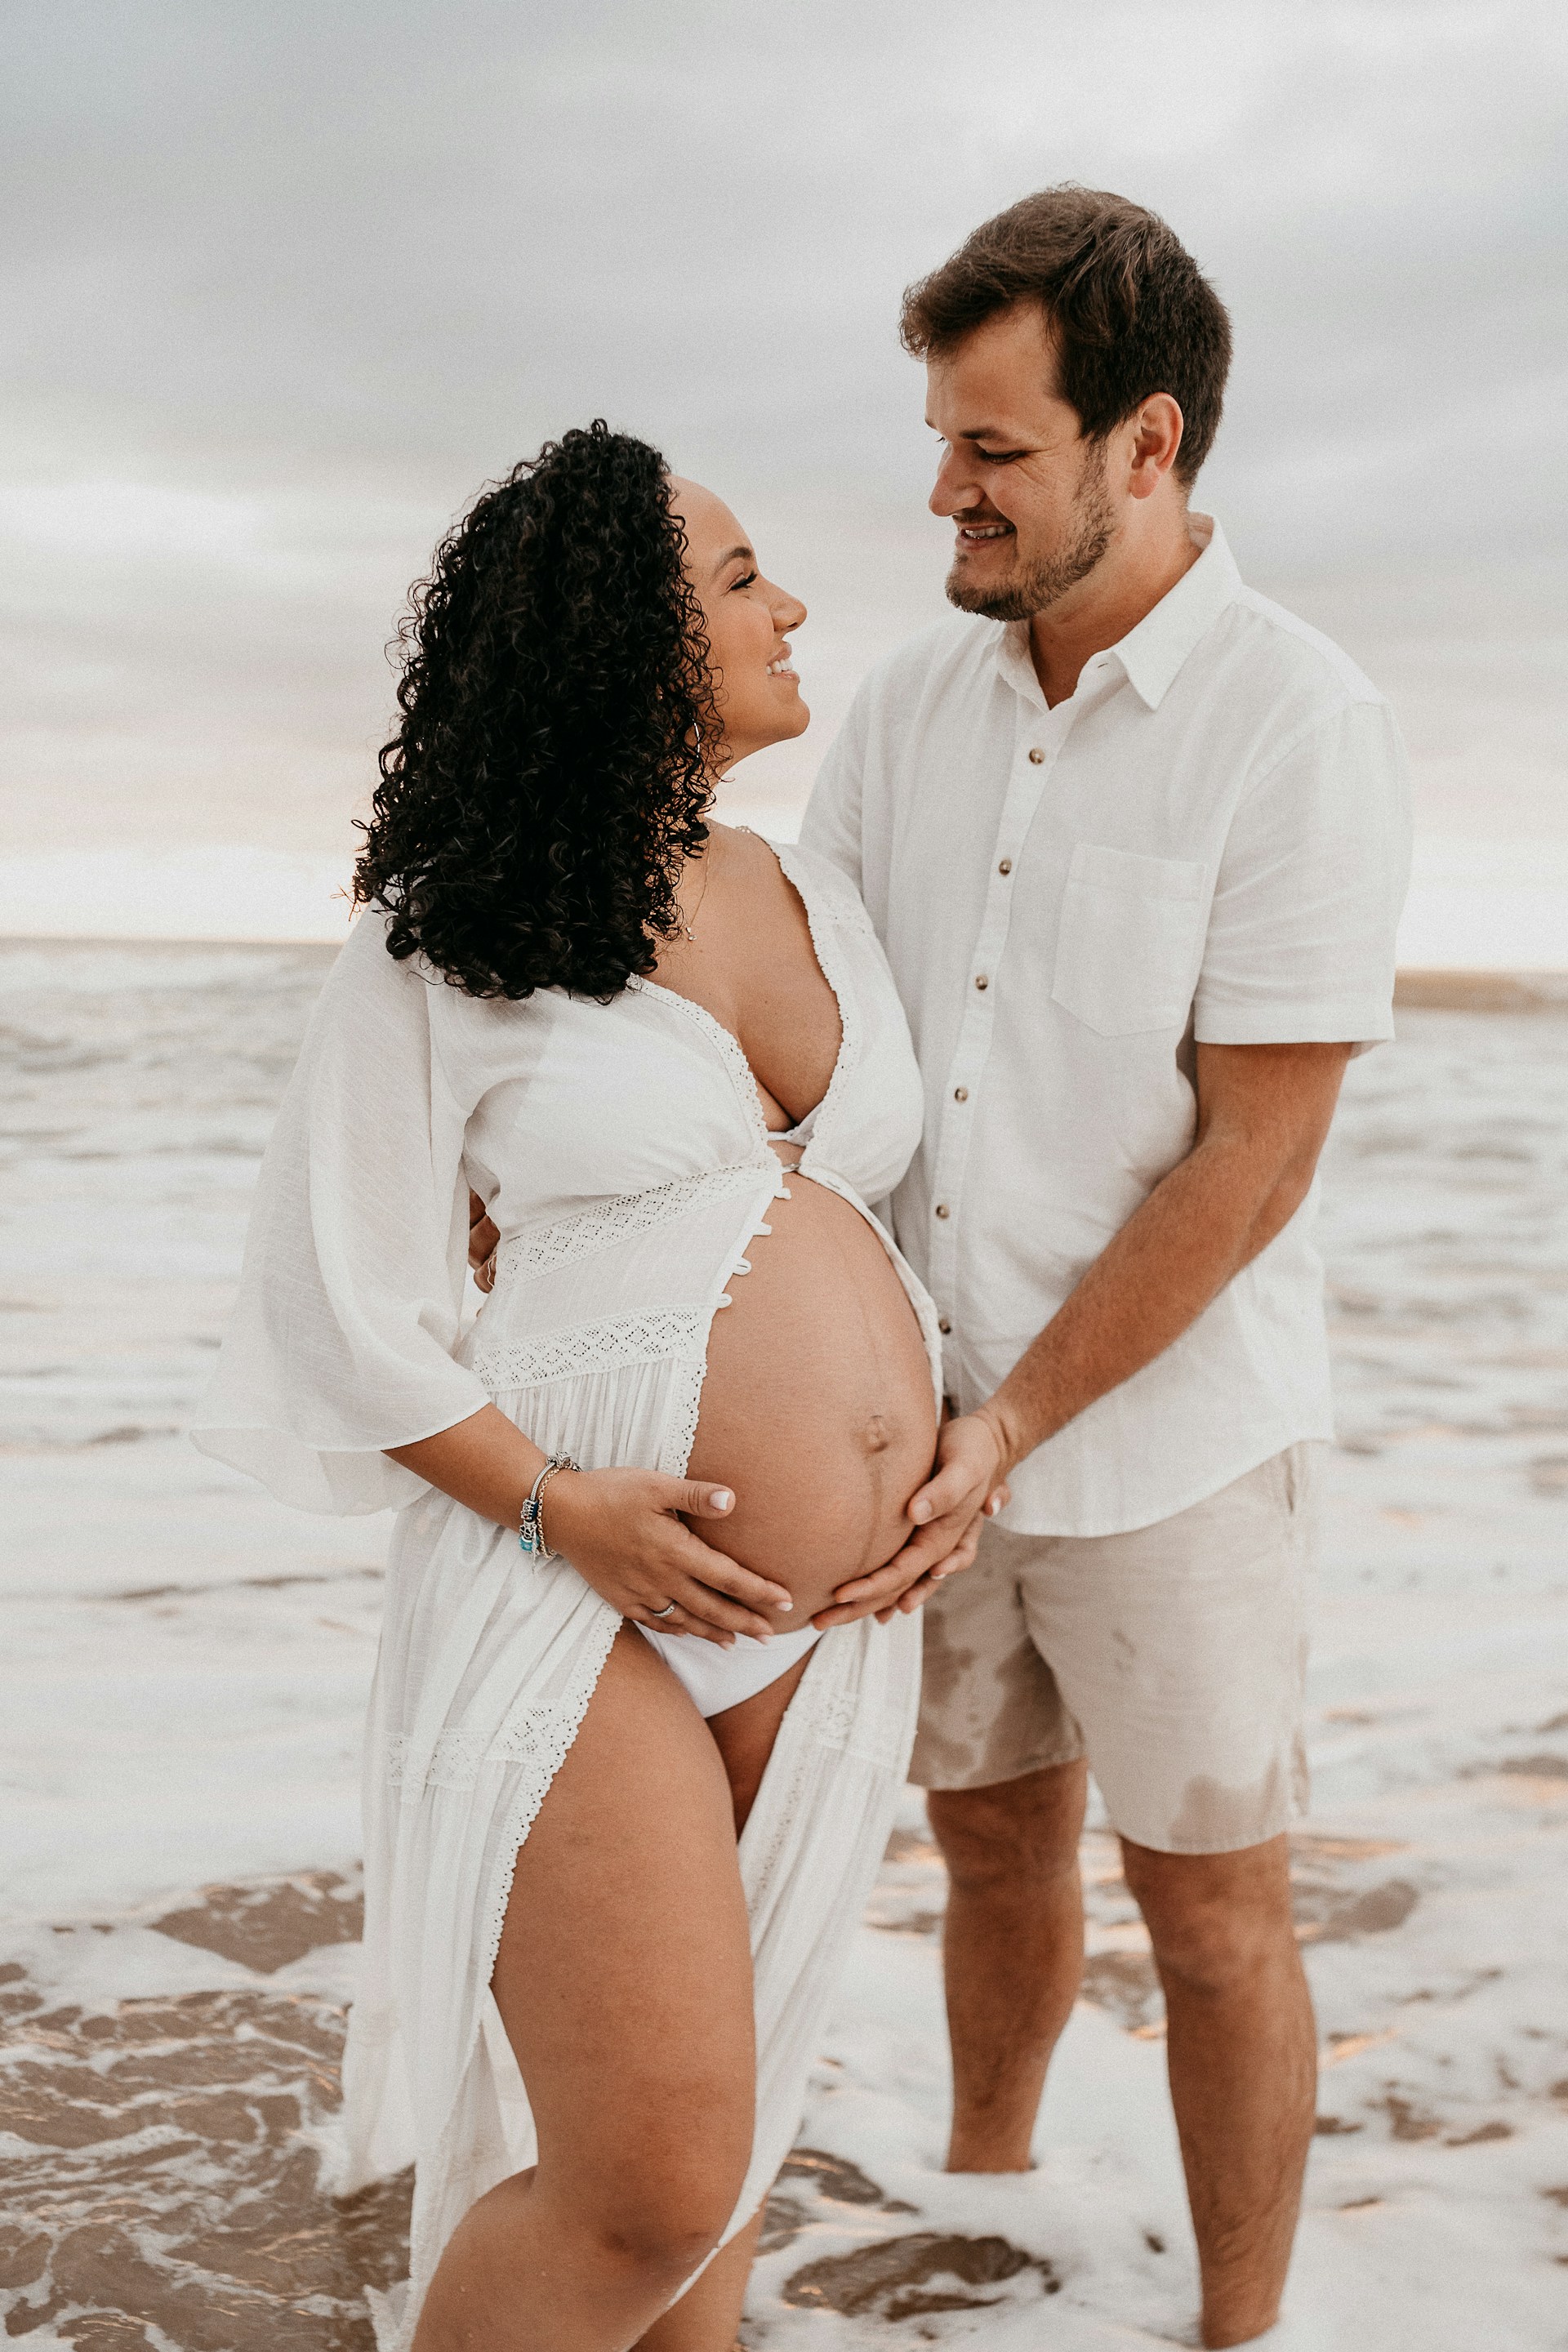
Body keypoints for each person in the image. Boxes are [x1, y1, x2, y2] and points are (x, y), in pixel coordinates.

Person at [193, 423, 997, 2352]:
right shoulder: (447, 933)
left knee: (713, 2194)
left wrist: (960, 1439)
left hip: (828, 1626)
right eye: (737, 580)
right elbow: (338, 1309)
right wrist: (567, 1507)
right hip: (576, 1595)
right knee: (639, 2187)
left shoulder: (816, 897)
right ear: (621, 640)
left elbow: (882, 1217)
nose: (791, 603)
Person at [802, 186, 1412, 2350]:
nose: (943, 490)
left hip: (1165, 1449)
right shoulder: (898, 710)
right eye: (943, 439)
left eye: (995, 448)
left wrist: (1024, 1418)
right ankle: (999, 2228)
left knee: (1217, 1912)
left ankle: (1241, 2334)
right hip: (925, 1420)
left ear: (1147, 447)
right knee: (983, 1847)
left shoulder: (1295, 722)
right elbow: (813, 1040)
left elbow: (1256, 1157)